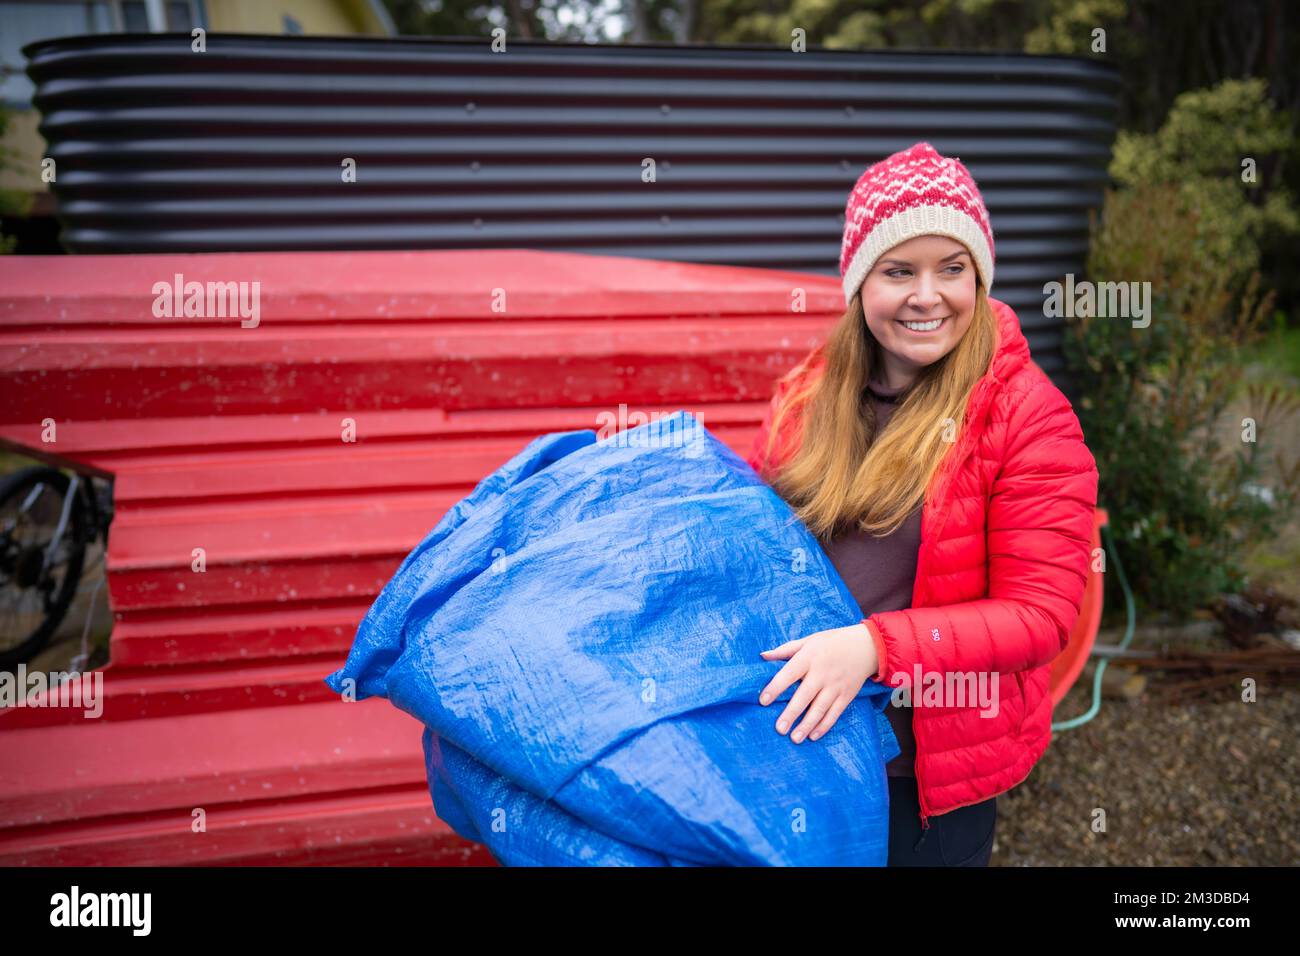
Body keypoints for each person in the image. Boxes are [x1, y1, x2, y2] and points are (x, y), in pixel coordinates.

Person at [746, 141, 1099, 867]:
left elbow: (1042, 615)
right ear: (858, 282)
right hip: (802, 743)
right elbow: (754, 537)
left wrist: (875, 648)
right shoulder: (809, 395)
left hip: (926, 777)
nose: (927, 295)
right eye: (898, 270)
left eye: (952, 268)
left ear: (980, 276)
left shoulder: (1027, 415)